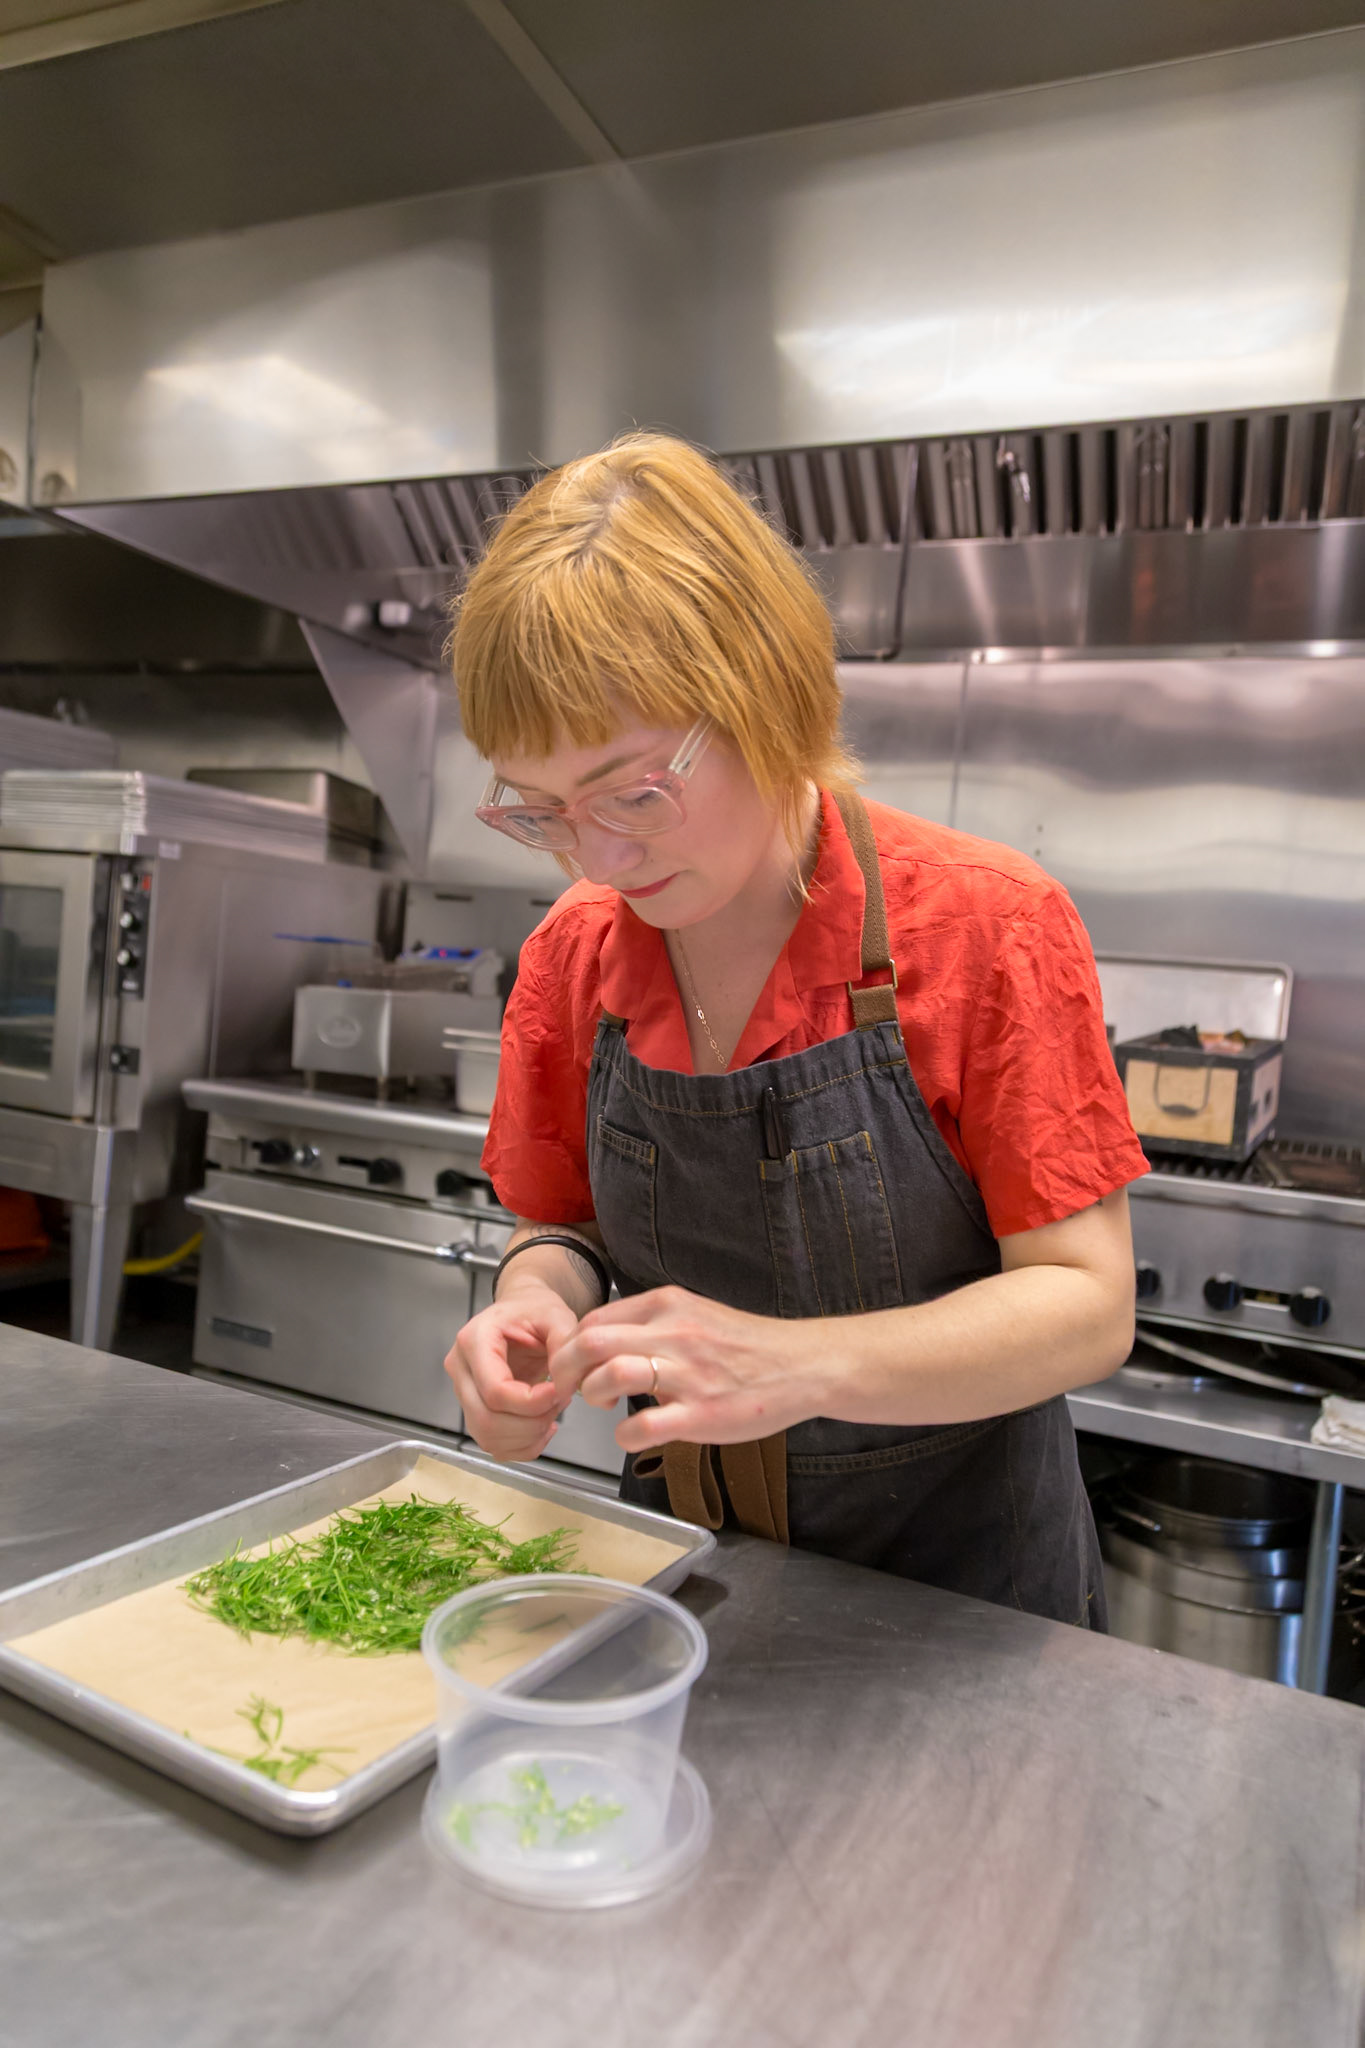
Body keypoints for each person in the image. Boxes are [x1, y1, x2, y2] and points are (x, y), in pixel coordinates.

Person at [444, 432, 1147, 1625]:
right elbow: (558, 1218)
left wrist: (793, 1364)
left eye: (633, 792)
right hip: (682, 1577)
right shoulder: (575, 951)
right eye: (545, 810)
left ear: (762, 699)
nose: (599, 855)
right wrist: (534, 1299)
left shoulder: (987, 923)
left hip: (961, 1608)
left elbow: (1087, 1302)